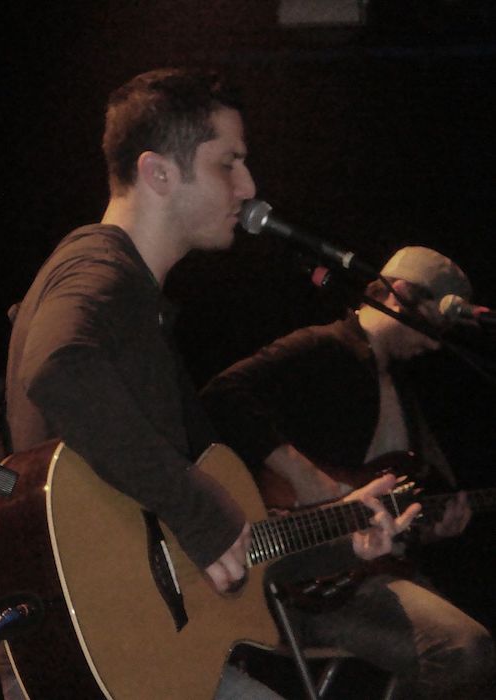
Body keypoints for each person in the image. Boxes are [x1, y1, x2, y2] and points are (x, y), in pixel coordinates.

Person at [1, 68, 420, 700]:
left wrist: (339, 538)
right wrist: (198, 507)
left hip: (139, 649)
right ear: (159, 172)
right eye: (230, 162)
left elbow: (221, 551)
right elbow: (59, 368)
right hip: (108, 650)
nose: (250, 187)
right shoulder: (97, 267)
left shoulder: (139, 304)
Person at [201, 245, 495, 699]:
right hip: (304, 578)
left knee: (474, 647)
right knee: (464, 648)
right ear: (397, 294)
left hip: (364, 569)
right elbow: (221, 395)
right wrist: (303, 475)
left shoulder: (401, 389)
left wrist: (432, 528)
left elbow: (388, 512)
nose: (436, 343)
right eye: (432, 326)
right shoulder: (323, 346)